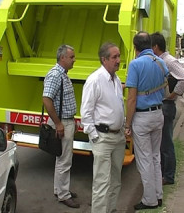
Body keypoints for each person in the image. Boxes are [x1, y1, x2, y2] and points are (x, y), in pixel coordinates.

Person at [125, 31, 168, 210]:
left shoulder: (135, 65)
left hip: (142, 117)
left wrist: (127, 124)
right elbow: (165, 88)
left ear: (135, 48)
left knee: (144, 160)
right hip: (158, 113)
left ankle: (149, 199)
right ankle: (158, 195)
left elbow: (132, 99)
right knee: (155, 156)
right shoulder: (161, 63)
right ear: (150, 45)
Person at [81, 42, 126, 213]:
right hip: (103, 138)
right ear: (104, 59)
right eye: (114, 57)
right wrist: (95, 136)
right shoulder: (95, 80)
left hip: (118, 137)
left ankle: (111, 209)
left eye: (119, 56)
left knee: (116, 180)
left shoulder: (115, 79)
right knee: (101, 182)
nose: (118, 60)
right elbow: (86, 112)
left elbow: (117, 106)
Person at [42, 44, 80, 208]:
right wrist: (58, 123)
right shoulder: (56, 75)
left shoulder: (62, 74)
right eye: (71, 57)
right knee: (64, 160)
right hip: (62, 122)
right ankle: (64, 195)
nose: (74, 60)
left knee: (62, 159)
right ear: (62, 58)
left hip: (66, 121)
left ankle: (60, 190)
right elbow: (46, 99)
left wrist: (72, 121)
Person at [151, 32, 184, 186]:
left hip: (166, 106)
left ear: (155, 46)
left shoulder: (168, 61)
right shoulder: (161, 60)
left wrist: (173, 95)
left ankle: (168, 176)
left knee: (166, 143)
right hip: (163, 105)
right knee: (161, 143)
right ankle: (163, 174)